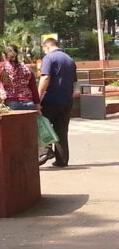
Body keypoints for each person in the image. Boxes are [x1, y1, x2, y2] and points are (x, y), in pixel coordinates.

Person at [38, 37, 77, 167]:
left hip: (50, 100)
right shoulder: (70, 60)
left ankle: (45, 152)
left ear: (47, 46)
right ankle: (62, 159)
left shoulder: (49, 58)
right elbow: (74, 82)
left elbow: (45, 78)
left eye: (44, 49)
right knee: (62, 130)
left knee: (44, 127)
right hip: (66, 101)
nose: (44, 52)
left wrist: (37, 97)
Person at [0, 44, 40, 111]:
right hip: (29, 103)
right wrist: (37, 105)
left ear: (4, 55)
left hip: (11, 103)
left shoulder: (2, 66)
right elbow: (33, 87)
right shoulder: (27, 68)